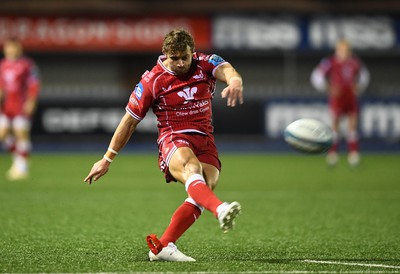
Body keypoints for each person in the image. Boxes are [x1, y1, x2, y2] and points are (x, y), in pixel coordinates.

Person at [84, 28, 243, 262]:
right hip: (174, 137)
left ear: (193, 53)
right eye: (174, 58)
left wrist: (235, 80)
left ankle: (163, 247)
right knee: (192, 169)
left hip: (205, 138)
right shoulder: (152, 81)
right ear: (165, 54)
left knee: (204, 187)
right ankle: (220, 210)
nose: (180, 63)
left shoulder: (205, 63)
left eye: (185, 57)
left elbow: (227, 69)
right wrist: (107, 159)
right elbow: (129, 122)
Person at [310, 39, 369, 167]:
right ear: (337, 50)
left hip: (350, 97)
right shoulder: (330, 62)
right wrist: (327, 87)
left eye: (346, 49)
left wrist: (359, 87)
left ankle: (353, 154)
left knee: (352, 124)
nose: (344, 52)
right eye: (341, 49)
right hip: (337, 98)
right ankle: (333, 154)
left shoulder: (354, 62)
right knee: (335, 125)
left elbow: (364, 76)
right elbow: (316, 77)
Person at [0, 38, 41, 180]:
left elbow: (34, 84)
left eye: (13, 47)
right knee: (2, 134)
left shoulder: (27, 64)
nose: (10, 50)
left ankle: (22, 166)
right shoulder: (3, 65)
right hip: (6, 106)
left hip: (21, 105)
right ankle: (19, 159)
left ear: (19, 48)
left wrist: (31, 101)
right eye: (8, 47)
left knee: (20, 133)